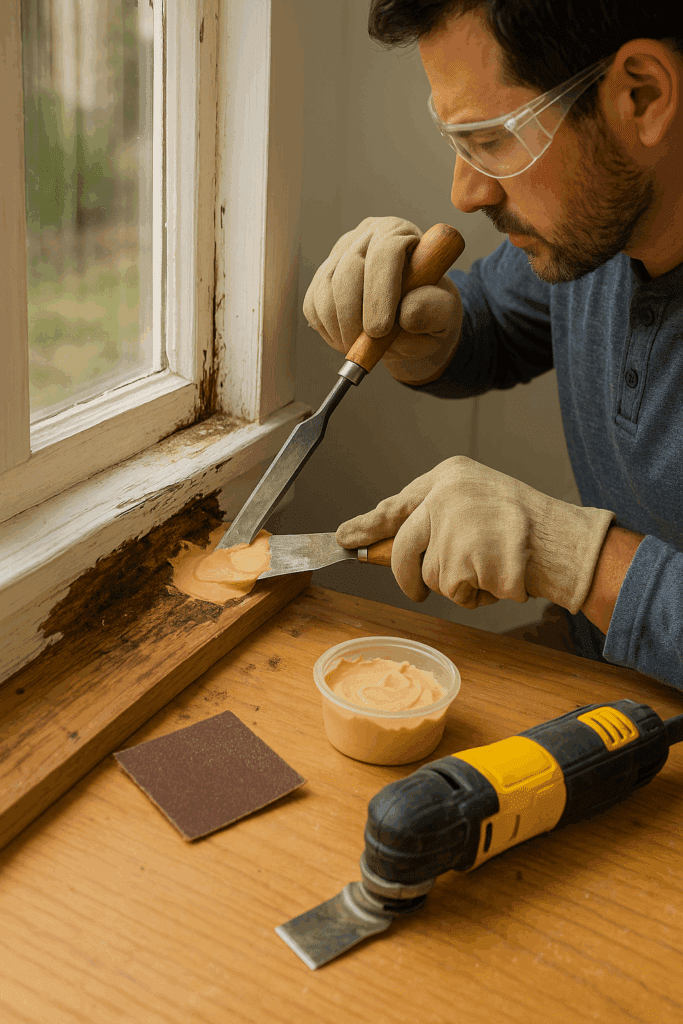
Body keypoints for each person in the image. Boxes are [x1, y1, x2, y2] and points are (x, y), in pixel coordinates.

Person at [303, 1, 683, 689]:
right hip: (602, 664)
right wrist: (430, 328)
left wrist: (576, 559)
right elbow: (500, 322)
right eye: (457, 141)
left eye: (492, 139)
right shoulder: (598, 227)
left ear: (642, 96)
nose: (464, 193)